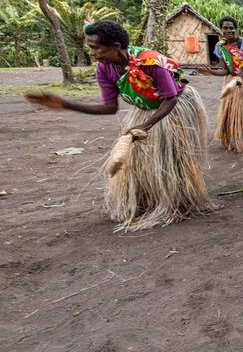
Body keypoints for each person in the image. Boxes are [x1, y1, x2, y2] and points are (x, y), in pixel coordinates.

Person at [25, 20, 216, 231]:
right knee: (140, 163)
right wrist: (65, 104)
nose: (93, 53)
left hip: (175, 108)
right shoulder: (104, 70)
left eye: (95, 47)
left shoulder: (150, 63)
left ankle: (178, 204)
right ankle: (148, 202)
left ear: (115, 47)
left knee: (172, 159)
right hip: (145, 109)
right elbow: (109, 107)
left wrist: (146, 125)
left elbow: (170, 100)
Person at [198, 16, 243, 154]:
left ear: (236, 29)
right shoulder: (220, 46)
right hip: (232, 82)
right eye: (225, 28)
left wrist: (241, 76)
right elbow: (225, 70)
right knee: (231, 112)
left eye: (231, 28)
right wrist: (210, 71)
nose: (228, 30)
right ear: (221, 29)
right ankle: (234, 140)